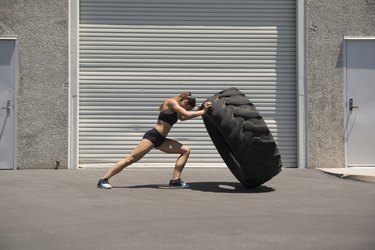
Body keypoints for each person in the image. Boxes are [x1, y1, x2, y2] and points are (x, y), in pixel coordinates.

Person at [97, 92, 212, 189]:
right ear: (185, 102)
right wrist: (203, 112)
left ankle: (175, 181)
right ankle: (103, 180)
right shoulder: (171, 102)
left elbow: (183, 117)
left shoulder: (178, 108)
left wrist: (200, 110)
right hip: (153, 136)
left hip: (161, 140)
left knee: (185, 151)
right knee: (130, 159)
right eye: (187, 107)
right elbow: (185, 114)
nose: (185, 109)